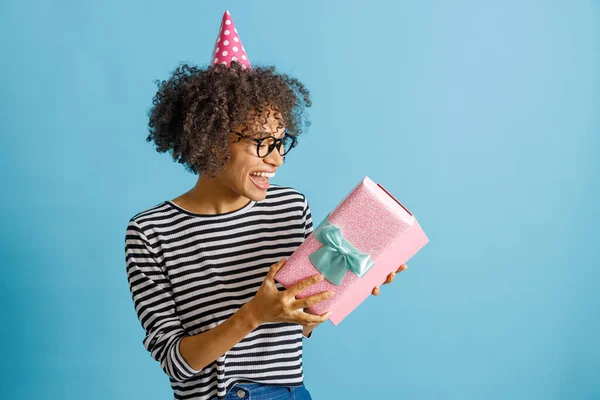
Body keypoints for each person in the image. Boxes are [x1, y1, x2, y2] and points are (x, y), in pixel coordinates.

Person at [124, 10, 405, 400]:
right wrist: (253, 314)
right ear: (212, 139)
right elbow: (176, 362)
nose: (277, 160)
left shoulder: (290, 207)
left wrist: (352, 285)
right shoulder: (150, 233)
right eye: (261, 143)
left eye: (280, 142)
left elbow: (301, 322)